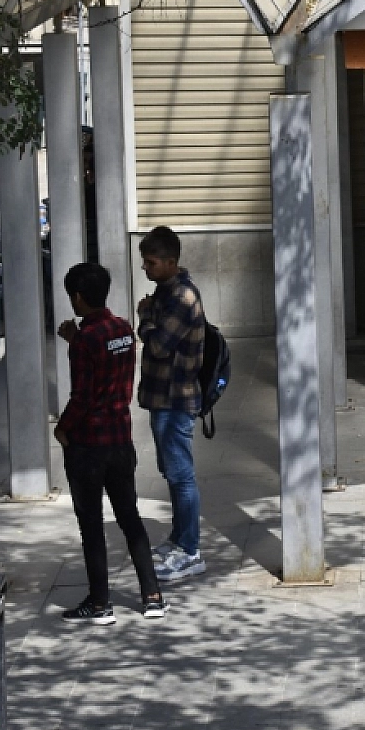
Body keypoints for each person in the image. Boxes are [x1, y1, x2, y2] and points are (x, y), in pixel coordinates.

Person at [56, 262, 166, 624]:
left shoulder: (85, 341)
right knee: (129, 517)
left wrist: (63, 429)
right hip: (120, 438)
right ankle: (152, 594)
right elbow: (107, 365)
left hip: (89, 444)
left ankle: (100, 602)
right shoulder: (123, 329)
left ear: (77, 297)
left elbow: (83, 395)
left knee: (91, 525)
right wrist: (76, 339)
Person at [136, 225, 207, 584]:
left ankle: (190, 551)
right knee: (171, 470)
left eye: (151, 263)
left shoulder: (181, 297)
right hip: (162, 397)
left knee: (181, 475)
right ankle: (180, 538)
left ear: (170, 261)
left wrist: (145, 318)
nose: (145, 268)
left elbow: (158, 346)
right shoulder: (166, 291)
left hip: (175, 399)